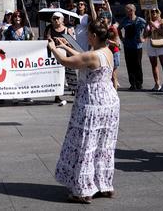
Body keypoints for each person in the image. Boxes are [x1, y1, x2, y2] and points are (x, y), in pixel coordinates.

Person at [49, 18, 119, 203]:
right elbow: (83, 57)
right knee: (103, 145)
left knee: (85, 144)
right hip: (109, 102)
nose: (87, 37)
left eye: (88, 34)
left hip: (92, 102)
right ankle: (103, 184)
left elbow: (66, 61)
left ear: (94, 36)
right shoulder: (107, 51)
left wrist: (53, 48)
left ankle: (83, 190)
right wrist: (65, 45)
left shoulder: (93, 55)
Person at [45, 11, 72, 106]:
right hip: (54, 54)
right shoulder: (49, 28)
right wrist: (50, 39)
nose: (56, 20)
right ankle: (57, 95)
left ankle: (73, 91)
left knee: (67, 74)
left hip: (65, 55)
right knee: (56, 74)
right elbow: (46, 39)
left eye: (57, 18)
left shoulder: (67, 30)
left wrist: (65, 42)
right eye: (54, 18)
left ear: (62, 20)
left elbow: (72, 43)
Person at [143, 9, 163, 91]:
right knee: (154, 65)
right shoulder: (148, 22)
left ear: (158, 12)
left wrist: (154, 25)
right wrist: (149, 29)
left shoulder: (161, 21)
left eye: (155, 11)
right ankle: (157, 84)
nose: (154, 13)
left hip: (160, 43)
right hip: (151, 43)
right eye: (151, 11)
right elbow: (145, 35)